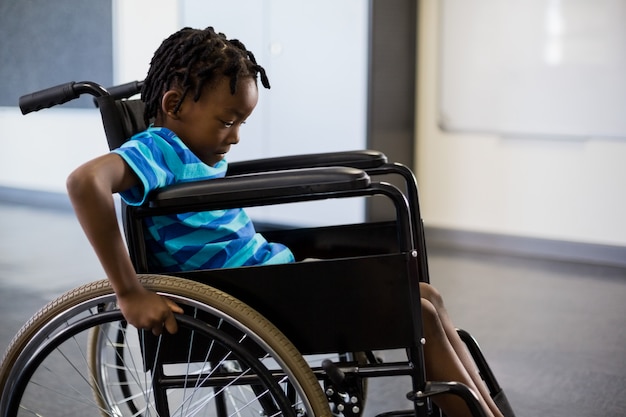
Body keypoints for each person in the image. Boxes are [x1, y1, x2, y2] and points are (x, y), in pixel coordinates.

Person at [66, 27, 504, 417]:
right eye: (227, 121)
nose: (236, 136)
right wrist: (129, 291)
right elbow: (85, 182)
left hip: (264, 277)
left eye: (241, 122)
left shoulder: (190, 151)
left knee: (427, 297)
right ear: (174, 104)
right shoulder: (157, 149)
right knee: (418, 312)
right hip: (242, 294)